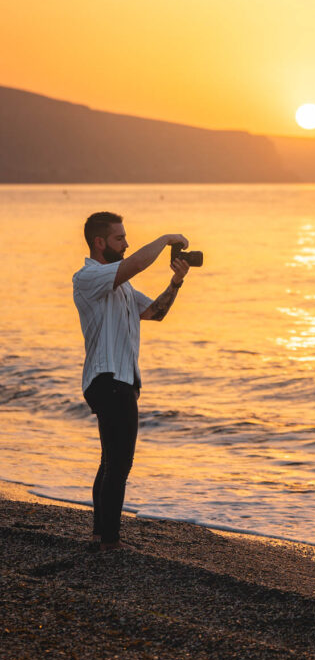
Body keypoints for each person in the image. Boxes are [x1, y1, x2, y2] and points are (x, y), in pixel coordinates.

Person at [73, 212, 191, 552]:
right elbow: (138, 263)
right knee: (120, 463)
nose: (126, 244)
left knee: (110, 460)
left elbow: (155, 313)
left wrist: (177, 283)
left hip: (121, 380)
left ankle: (100, 535)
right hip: (108, 379)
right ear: (99, 242)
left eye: (126, 238)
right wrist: (166, 237)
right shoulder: (89, 276)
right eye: (119, 238)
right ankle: (110, 541)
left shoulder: (121, 286)